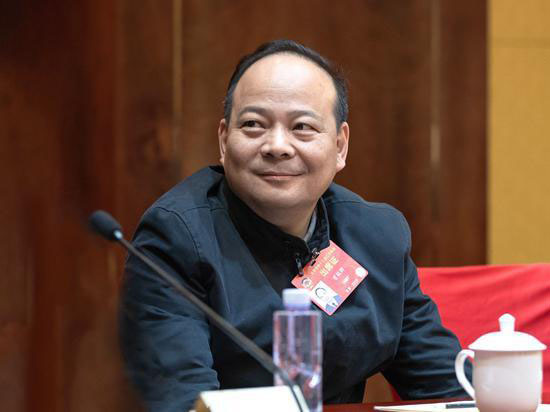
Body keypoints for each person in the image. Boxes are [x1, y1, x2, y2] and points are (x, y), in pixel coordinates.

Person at [120, 40, 469, 412]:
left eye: (302, 127)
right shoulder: (175, 238)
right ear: (224, 140)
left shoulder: (376, 236)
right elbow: (184, 400)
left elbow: (451, 391)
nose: (277, 145)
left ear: (340, 146)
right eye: (253, 125)